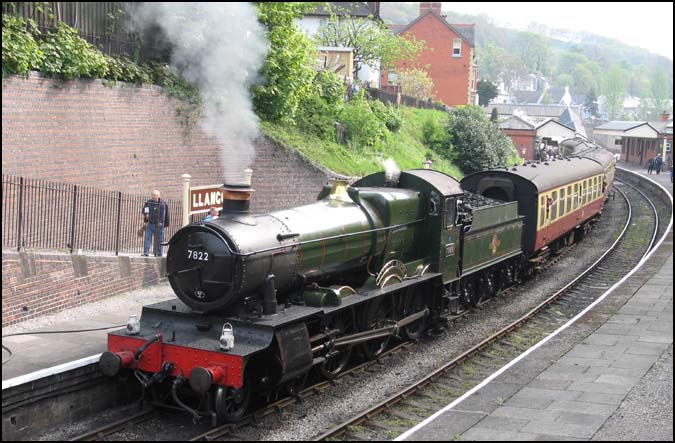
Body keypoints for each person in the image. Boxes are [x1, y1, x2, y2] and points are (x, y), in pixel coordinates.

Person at [142, 190, 169, 257]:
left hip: (159, 225)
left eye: (155, 195)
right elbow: (145, 209)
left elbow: (163, 214)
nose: (154, 196)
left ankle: (159, 253)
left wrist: (160, 222)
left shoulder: (162, 204)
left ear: (159, 196)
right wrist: (146, 214)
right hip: (150, 223)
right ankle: (146, 252)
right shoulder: (148, 202)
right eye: (153, 195)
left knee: (159, 239)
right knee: (147, 238)